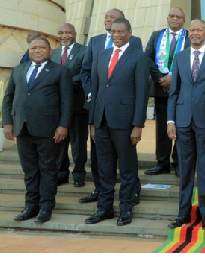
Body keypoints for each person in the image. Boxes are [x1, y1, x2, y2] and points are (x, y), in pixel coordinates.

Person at [85, 18, 149, 226]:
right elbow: (96, 90)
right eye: (114, 31)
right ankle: (104, 209)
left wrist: (137, 125)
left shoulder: (138, 57)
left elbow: (142, 93)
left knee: (128, 169)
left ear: (130, 32)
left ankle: (126, 208)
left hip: (125, 123)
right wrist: (93, 122)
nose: (117, 35)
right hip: (101, 121)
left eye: (121, 31)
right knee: (104, 167)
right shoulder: (101, 55)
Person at [3, 37, 72, 223]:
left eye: (42, 47)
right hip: (22, 128)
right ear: (29, 50)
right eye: (34, 47)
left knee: (48, 169)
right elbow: (8, 98)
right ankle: (30, 206)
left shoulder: (60, 71)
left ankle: (46, 207)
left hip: (49, 129)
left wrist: (63, 125)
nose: (38, 50)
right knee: (29, 170)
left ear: (50, 51)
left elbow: (67, 101)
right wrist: (7, 123)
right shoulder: (19, 70)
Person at [166, 19, 205, 230]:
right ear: (188, 33)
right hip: (182, 122)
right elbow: (173, 92)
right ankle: (183, 213)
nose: (195, 33)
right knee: (185, 169)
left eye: (199, 30)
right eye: (192, 30)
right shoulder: (180, 57)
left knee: (204, 169)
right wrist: (170, 120)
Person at [144, 7, 191, 177]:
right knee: (162, 127)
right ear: (167, 18)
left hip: (182, 90)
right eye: (171, 16)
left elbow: (191, 61)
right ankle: (162, 163)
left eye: (178, 17)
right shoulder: (157, 36)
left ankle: (179, 163)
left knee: (181, 126)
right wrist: (161, 79)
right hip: (160, 88)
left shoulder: (189, 37)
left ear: (183, 20)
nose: (174, 19)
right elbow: (147, 57)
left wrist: (174, 79)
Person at [50, 23, 88, 187]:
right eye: (61, 33)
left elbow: (85, 73)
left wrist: (64, 83)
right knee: (59, 140)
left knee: (78, 141)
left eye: (67, 32)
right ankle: (61, 172)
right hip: (57, 105)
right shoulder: (54, 53)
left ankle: (79, 173)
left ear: (74, 33)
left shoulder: (85, 51)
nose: (64, 36)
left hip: (77, 103)